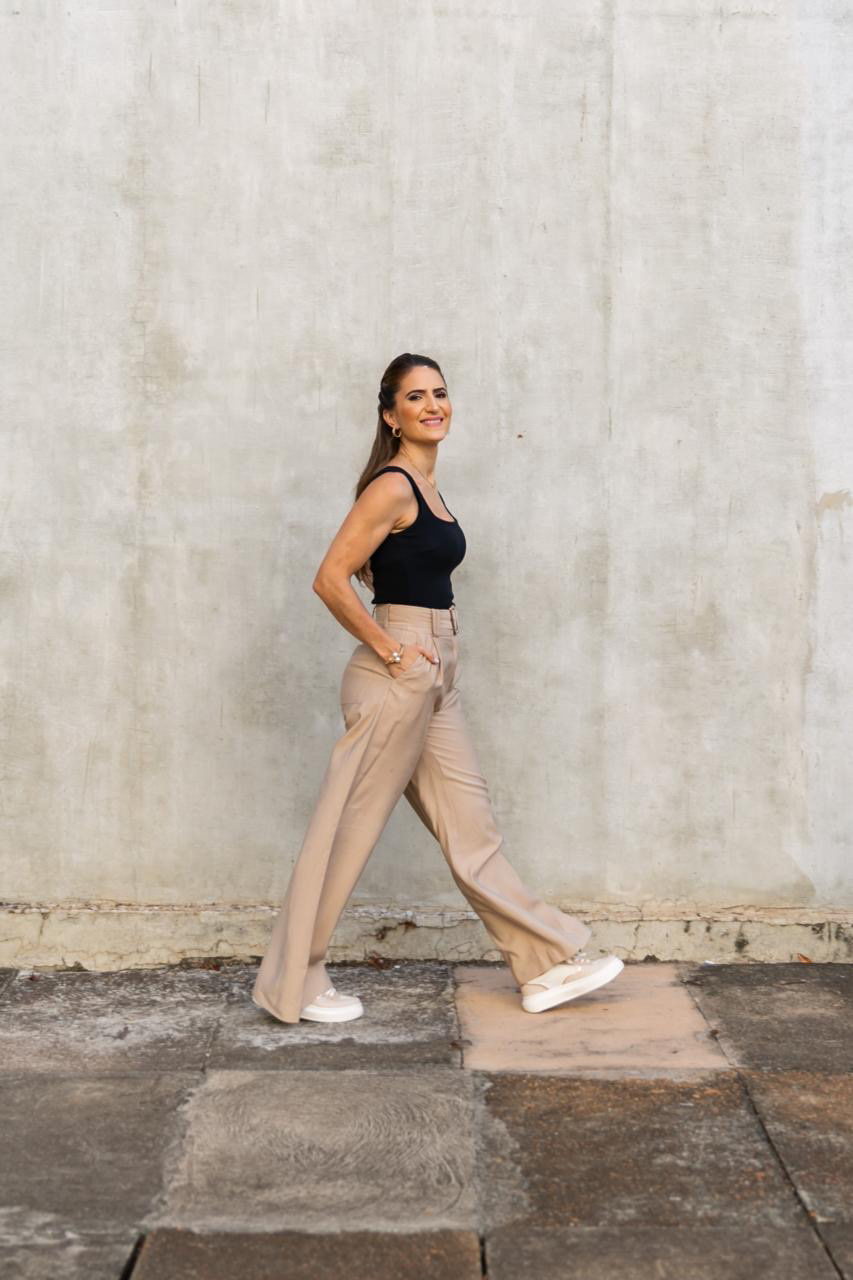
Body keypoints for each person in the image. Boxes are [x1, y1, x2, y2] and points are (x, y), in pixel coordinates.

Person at [252, 352, 623, 1024]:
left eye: (440, 393)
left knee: (471, 825)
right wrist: (392, 649)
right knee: (348, 831)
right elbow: (330, 578)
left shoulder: (426, 488)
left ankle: (542, 965)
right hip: (397, 674)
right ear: (391, 416)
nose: (432, 405)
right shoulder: (393, 486)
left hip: (436, 673)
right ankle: (295, 981)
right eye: (415, 397)